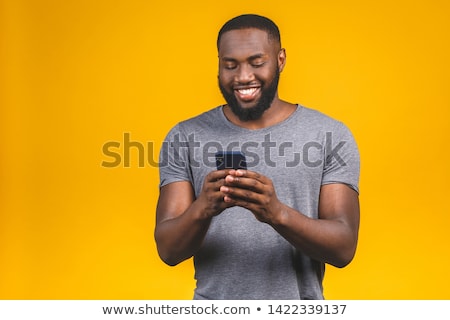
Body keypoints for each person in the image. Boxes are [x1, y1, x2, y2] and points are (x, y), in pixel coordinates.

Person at [155, 14, 360, 300]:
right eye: (230, 65)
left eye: (256, 62)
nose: (242, 77)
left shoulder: (330, 135)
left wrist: (277, 213)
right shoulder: (184, 136)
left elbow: (343, 248)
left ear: (280, 60)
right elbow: (168, 250)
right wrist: (204, 207)